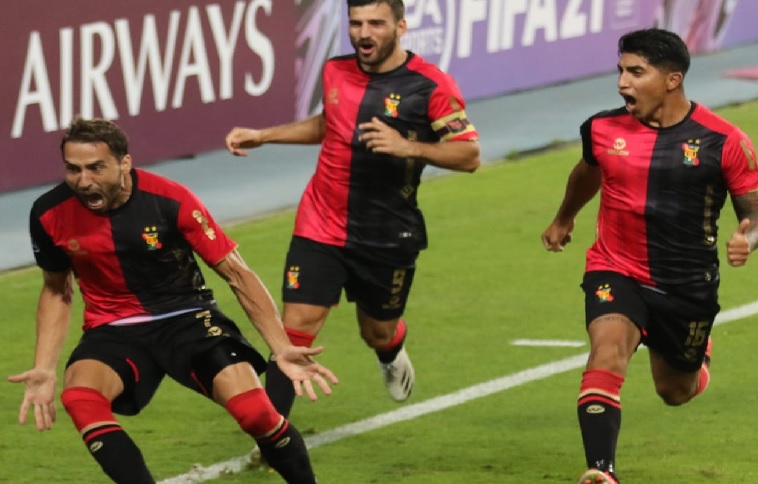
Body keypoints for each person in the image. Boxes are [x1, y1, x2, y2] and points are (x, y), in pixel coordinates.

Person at [8, 117, 338, 484]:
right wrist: (44, 367)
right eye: (73, 169)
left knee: (257, 416)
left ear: (124, 164)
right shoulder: (49, 212)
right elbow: (56, 288)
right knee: (80, 398)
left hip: (188, 318)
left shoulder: (170, 200)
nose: (83, 181)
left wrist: (281, 347)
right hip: (114, 328)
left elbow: (238, 274)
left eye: (95, 168)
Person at [224, 0, 480, 419]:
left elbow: (469, 154)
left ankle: (391, 351)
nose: (364, 33)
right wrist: (264, 135)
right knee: (296, 329)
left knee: (376, 330)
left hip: (386, 232)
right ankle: (272, 436)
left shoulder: (430, 86)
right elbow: (329, 125)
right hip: (320, 222)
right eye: (356, 23)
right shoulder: (334, 71)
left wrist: (407, 147)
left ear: (401, 26)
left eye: (376, 24)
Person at [541, 28, 758, 484]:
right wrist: (564, 218)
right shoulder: (601, 128)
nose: (623, 82)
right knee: (606, 352)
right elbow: (588, 170)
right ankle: (602, 472)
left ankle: (699, 357)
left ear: (672, 79)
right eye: (621, 70)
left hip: (685, 286)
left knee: (675, 391)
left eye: (636, 72)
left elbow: (754, 214)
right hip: (615, 266)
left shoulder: (725, 141)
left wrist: (748, 239)